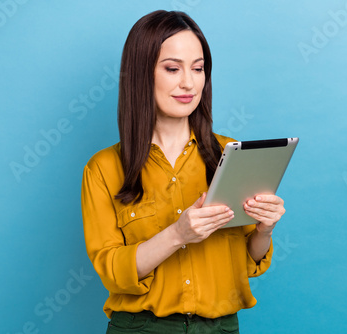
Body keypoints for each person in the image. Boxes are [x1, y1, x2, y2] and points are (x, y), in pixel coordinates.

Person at [81, 10, 286, 334]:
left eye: (198, 68)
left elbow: (250, 262)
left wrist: (264, 229)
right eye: (172, 68)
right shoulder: (103, 168)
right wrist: (177, 235)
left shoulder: (230, 154)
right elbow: (112, 272)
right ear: (141, 73)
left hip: (220, 327)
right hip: (142, 328)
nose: (189, 83)